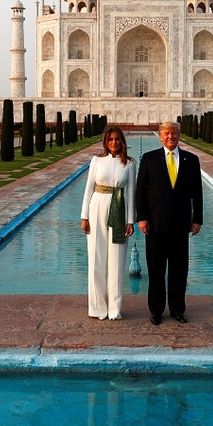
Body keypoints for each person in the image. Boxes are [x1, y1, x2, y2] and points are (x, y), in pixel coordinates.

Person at [135, 121, 203, 325]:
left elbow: (197, 193)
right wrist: (142, 217)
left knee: (179, 270)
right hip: (155, 224)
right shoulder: (149, 158)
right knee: (155, 270)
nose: (170, 137)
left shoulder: (191, 159)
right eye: (166, 133)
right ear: (160, 136)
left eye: (173, 133)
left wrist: (197, 219)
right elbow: (140, 191)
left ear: (179, 135)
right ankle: (156, 310)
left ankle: (177, 310)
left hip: (180, 224)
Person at [80, 126, 136, 320]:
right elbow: (88, 189)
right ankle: (97, 308)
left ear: (122, 142)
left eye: (117, 139)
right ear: (106, 142)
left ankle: (114, 309)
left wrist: (131, 220)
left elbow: (131, 193)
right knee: (96, 259)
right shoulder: (97, 161)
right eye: (110, 139)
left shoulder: (129, 163)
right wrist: (84, 216)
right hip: (97, 207)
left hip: (119, 209)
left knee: (117, 261)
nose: (114, 143)